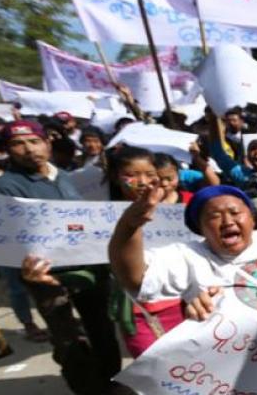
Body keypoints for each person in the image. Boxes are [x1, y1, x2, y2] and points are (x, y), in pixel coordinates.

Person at [0, 120, 123, 394]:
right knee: (68, 340)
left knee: (103, 331)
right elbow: (7, 238)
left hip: (88, 269)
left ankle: (112, 383)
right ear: (8, 150)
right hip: (48, 277)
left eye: (34, 141)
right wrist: (25, 275)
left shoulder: (63, 176)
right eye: (18, 144)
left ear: (47, 143)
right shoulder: (5, 187)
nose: (28, 149)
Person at [108, 185, 257, 336]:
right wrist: (129, 226)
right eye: (214, 216)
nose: (227, 221)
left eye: (235, 213)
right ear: (201, 228)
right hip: (250, 365)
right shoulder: (188, 255)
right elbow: (135, 277)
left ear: (252, 218)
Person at [104, 146, 187, 358]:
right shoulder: (100, 217)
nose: (143, 182)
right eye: (132, 175)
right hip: (138, 311)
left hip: (183, 305)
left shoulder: (177, 214)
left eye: (150, 175)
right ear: (115, 177)